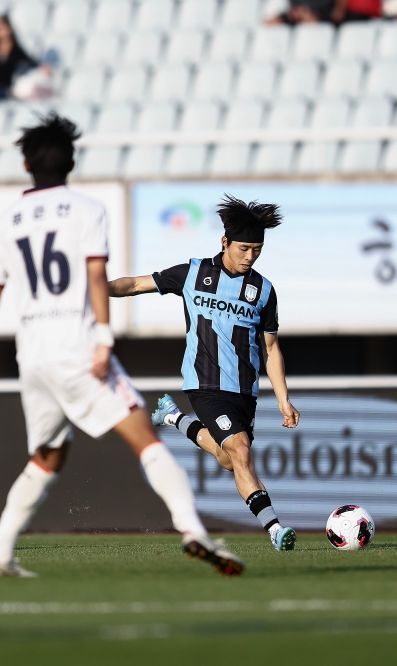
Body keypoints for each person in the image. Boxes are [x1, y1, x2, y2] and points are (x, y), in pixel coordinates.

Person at [0, 114, 243, 578]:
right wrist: (103, 339)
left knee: (48, 455)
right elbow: (96, 277)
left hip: (33, 357)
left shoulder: (4, 223)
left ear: (25, 164)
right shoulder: (86, 210)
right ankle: (192, 529)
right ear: (72, 162)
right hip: (78, 348)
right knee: (145, 438)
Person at [107, 196, 301, 552]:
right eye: (244, 248)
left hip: (245, 391)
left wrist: (283, 399)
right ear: (225, 241)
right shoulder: (194, 274)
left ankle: (174, 418)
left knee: (229, 459)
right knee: (240, 451)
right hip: (205, 384)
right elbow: (133, 285)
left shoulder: (263, 291)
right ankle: (275, 529)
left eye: (257, 250)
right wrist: (94, 289)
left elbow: (271, 349)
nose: (250, 256)